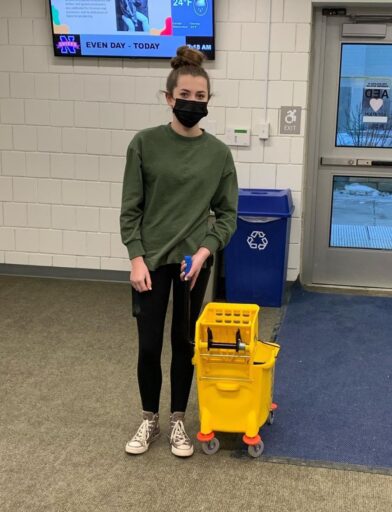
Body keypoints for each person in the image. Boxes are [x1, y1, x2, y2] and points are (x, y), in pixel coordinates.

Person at [120, 45, 238, 457]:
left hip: (192, 263)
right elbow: (130, 209)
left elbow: (226, 215)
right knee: (149, 345)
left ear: (208, 102)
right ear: (169, 98)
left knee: (185, 344)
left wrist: (205, 252)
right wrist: (136, 257)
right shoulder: (144, 144)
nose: (191, 103)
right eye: (184, 96)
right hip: (150, 263)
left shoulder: (219, 154)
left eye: (199, 98)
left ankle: (176, 422)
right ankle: (149, 417)